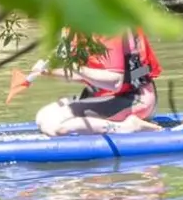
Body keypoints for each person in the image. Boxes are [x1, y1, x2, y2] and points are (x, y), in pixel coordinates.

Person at [34, 28, 164, 136]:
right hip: (106, 97)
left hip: (135, 100)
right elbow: (85, 75)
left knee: (57, 127)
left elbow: (115, 83)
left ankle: (128, 127)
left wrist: (72, 65)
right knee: (42, 117)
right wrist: (48, 71)